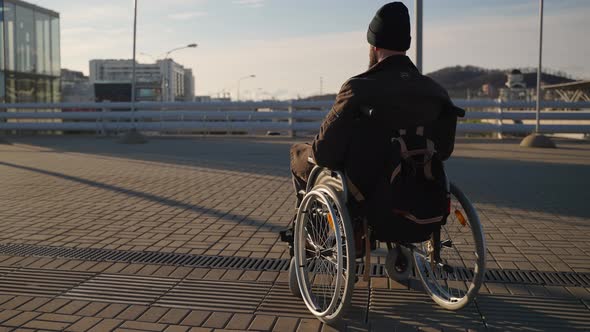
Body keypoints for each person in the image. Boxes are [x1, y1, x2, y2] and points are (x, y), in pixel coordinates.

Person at [290, 2, 458, 212]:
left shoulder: (357, 88)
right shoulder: (436, 91)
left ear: (374, 46)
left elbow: (324, 153)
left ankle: (308, 235)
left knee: (299, 154)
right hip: (418, 185)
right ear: (405, 46)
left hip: (363, 190)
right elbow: (443, 151)